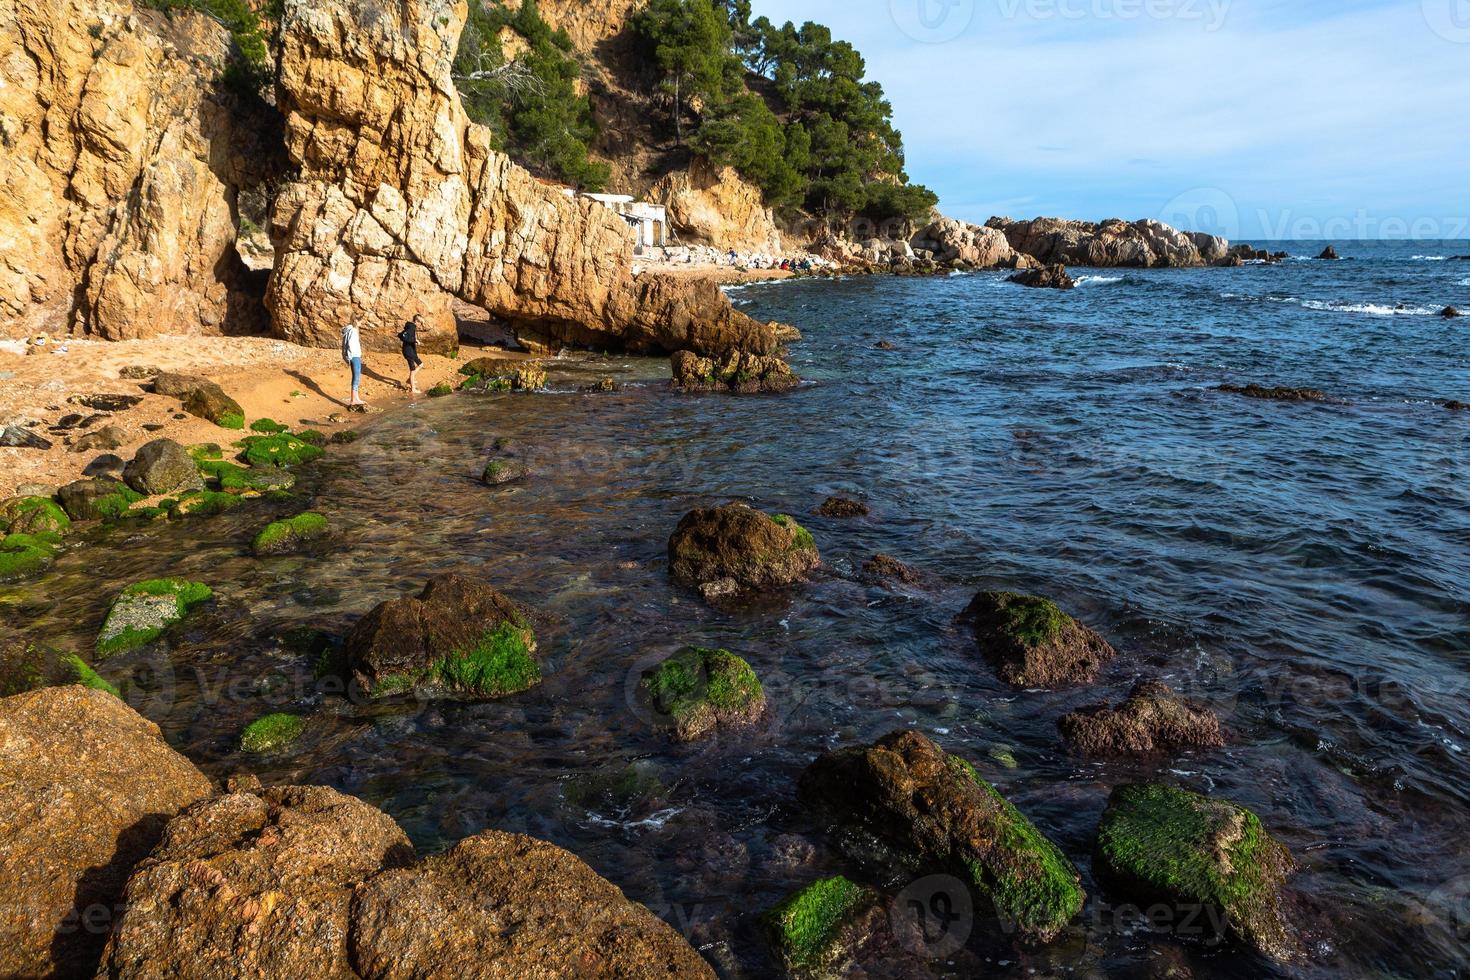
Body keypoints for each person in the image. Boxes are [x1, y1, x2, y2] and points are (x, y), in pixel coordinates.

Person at [341, 322, 365, 410]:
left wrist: (346, 357)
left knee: (356, 377)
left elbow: (345, 344)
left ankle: (356, 398)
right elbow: (350, 344)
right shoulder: (353, 330)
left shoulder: (348, 330)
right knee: (356, 377)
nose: (361, 323)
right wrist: (350, 357)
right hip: (354, 355)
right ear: (357, 321)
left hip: (353, 356)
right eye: (360, 321)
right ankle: (354, 399)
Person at [398, 316, 423, 394]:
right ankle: (413, 389)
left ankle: (409, 380)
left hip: (411, 351)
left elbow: (400, 335)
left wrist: (415, 340)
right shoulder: (411, 327)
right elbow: (405, 337)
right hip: (409, 351)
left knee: (421, 364)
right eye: (421, 323)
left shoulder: (411, 327)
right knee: (412, 370)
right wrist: (415, 341)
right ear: (416, 321)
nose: (421, 325)